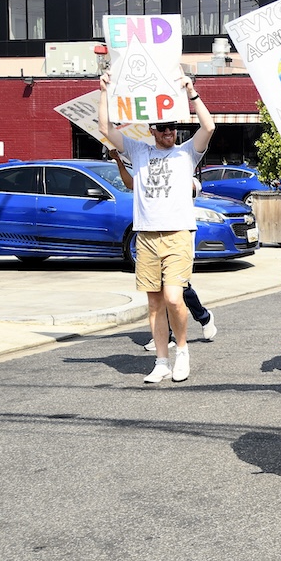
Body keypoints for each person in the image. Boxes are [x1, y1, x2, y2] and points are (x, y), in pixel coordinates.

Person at [97, 74, 214, 384]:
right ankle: (161, 360)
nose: (169, 132)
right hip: (147, 235)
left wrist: (192, 93)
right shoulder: (138, 151)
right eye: (163, 128)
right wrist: (105, 91)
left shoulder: (186, 152)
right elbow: (105, 128)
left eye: (172, 127)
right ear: (152, 131)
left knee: (175, 297)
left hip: (178, 234)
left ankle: (183, 351)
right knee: (154, 302)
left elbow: (209, 127)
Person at [107, 149, 218, 348]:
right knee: (158, 289)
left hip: (179, 240)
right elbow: (131, 184)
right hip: (152, 239)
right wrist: (119, 161)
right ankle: (165, 335)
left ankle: (203, 316)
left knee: (178, 290)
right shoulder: (150, 175)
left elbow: (191, 187)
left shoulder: (188, 180)